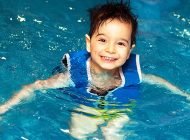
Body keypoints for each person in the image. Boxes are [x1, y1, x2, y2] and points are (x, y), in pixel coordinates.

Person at [0, 1, 189, 139]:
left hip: (119, 104)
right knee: (79, 133)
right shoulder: (75, 74)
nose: (110, 49)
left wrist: (183, 95)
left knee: (113, 133)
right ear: (89, 44)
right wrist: (6, 107)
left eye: (121, 43)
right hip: (87, 103)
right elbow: (36, 86)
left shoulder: (130, 73)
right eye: (102, 40)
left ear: (130, 49)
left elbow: (156, 80)